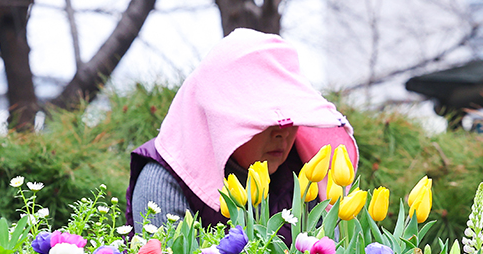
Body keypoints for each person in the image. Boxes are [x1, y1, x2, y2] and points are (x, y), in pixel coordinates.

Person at [126, 29, 357, 241]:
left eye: (292, 117)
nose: (282, 133)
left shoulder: (307, 177)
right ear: (222, 118)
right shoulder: (164, 179)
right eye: (263, 121)